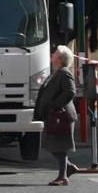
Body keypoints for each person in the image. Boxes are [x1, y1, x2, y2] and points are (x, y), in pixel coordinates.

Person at [33, 45, 79, 186]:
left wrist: (55, 104)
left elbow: (70, 91)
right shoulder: (55, 72)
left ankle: (63, 176)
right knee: (51, 144)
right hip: (53, 115)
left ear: (60, 59)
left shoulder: (64, 73)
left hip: (61, 115)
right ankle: (69, 167)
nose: (52, 55)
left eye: (55, 53)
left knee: (59, 145)